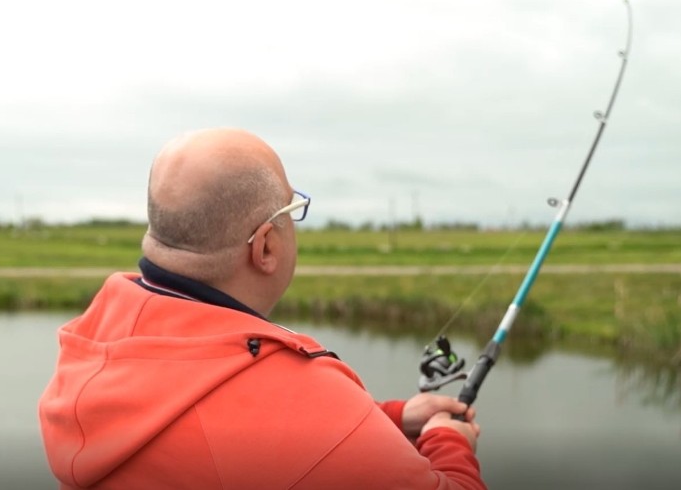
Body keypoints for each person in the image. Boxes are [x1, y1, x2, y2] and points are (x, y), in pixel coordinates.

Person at [38, 128, 486, 489]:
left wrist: (387, 419)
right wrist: (449, 441)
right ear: (266, 246)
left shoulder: (95, 341)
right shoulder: (304, 401)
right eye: (293, 209)